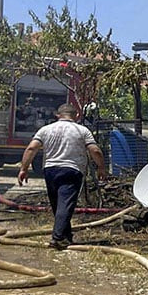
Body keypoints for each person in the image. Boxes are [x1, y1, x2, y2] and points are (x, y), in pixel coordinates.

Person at [18, 103, 107, 249]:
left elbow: (32, 148)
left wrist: (24, 168)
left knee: (58, 205)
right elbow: (95, 150)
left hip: (50, 170)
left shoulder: (45, 130)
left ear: (58, 115)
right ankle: (58, 238)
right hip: (72, 171)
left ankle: (66, 236)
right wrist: (101, 168)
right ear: (76, 115)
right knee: (65, 205)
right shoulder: (82, 131)